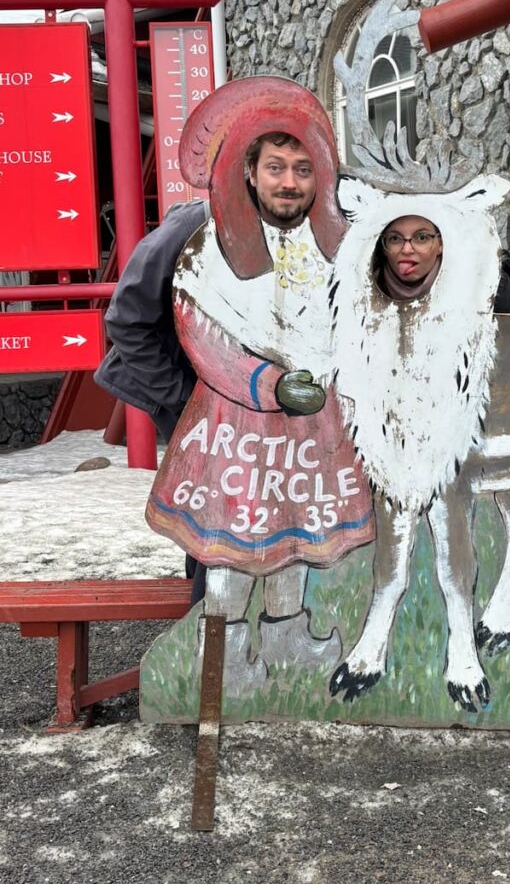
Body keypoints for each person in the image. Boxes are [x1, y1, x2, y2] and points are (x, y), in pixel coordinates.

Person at [96, 132, 365, 677]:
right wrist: (182, 400)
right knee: (227, 539)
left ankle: (287, 639)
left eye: (302, 169)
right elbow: (133, 320)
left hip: (302, 428)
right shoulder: (194, 230)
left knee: (294, 532)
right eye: (276, 168)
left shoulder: (331, 235)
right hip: (225, 420)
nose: (289, 182)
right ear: (250, 172)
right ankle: (220, 657)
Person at [374, 213, 510, 312]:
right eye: (395, 238)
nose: (406, 250)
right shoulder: (363, 286)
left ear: (441, 243)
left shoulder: (487, 282)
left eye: (421, 237)